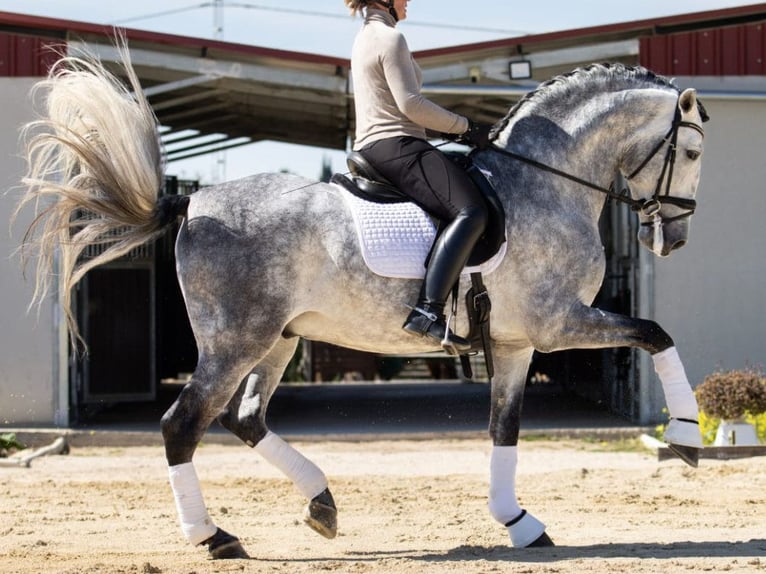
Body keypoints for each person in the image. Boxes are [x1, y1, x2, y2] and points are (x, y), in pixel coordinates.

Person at [345, 0, 494, 354]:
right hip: (397, 145)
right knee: (471, 210)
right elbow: (410, 104)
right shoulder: (389, 38)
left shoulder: (364, 36)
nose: (408, 1)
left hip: (377, 146)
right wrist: (467, 127)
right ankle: (428, 312)